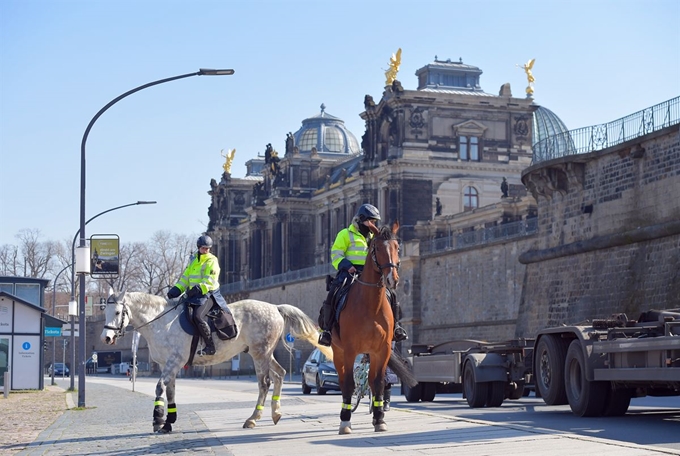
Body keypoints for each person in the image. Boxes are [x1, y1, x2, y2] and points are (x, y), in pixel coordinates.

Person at [317, 203, 407, 347]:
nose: (373, 224)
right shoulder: (345, 234)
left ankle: (396, 327)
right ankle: (327, 331)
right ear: (361, 220)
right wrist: (346, 265)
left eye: (375, 221)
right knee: (333, 294)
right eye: (370, 221)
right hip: (349, 272)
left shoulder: (375, 238)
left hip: (370, 273)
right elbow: (336, 254)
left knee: (391, 294)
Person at [167, 234, 231, 356]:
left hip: (208, 294)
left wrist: (197, 288)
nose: (205, 250)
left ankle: (210, 346)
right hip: (194, 295)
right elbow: (185, 278)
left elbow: (210, 280)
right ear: (198, 247)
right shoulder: (193, 261)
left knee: (198, 316)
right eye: (203, 248)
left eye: (207, 248)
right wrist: (176, 289)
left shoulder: (212, 260)